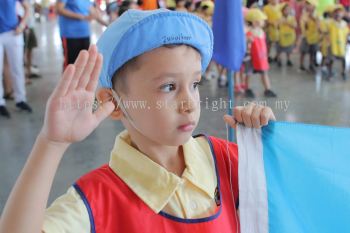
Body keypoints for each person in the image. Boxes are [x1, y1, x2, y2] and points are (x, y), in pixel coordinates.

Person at [0, 9, 276, 233]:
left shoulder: (229, 160)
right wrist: (52, 143)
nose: (189, 103)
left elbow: (287, 203)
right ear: (115, 103)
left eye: (194, 84)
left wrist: (272, 144)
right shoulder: (96, 201)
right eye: (168, 87)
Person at [0, 0, 33, 119]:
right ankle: (0, 103)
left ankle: (20, 100)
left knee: (17, 68)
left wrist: (22, 25)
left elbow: (27, 8)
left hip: (13, 32)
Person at [55, 0, 108, 69]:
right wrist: (82, 17)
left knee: (83, 62)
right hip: (70, 34)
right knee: (71, 64)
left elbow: (95, 15)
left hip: (84, 34)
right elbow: (59, 9)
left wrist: (109, 25)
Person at [244, 8, 277, 98]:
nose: (264, 22)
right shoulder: (248, 33)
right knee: (249, 73)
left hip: (261, 57)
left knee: (264, 72)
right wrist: (248, 41)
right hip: (250, 57)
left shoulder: (261, 32)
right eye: (262, 20)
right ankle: (247, 88)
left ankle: (268, 89)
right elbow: (246, 45)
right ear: (255, 22)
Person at [327, 4, 349, 80]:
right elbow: (326, 32)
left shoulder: (344, 24)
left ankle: (343, 72)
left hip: (341, 46)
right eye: (335, 12)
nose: (337, 14)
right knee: (331, 60)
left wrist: (346, 43)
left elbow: (346, 34)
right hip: (333, 46)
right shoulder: (330, 23)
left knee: (343, 59)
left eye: (339, 12)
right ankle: (329, 73)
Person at [299, 0, 320, 72]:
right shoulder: (304, 14)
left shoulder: (317, 14)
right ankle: (301, 64)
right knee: (303, 51)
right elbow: (302, 24)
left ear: (314, 6)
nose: (307, 6)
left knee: (313, 51)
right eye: (307, 5)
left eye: (309, 5)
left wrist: (313, 18)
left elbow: (318, 25)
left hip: (314, 36)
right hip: (306, 36)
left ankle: (311, 65)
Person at [276, 2, 297, 67]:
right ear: (282, 11)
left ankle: (288, 59)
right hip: (281, 36)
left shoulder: (292, 18)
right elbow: (277, 26)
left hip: (289, 36)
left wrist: (287, 23)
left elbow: (295, 26)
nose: (287, 11)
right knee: (280, 49)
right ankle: (279, 59)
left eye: (288, 9)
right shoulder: (279, 18)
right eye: (285, 10)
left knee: (289, 49)